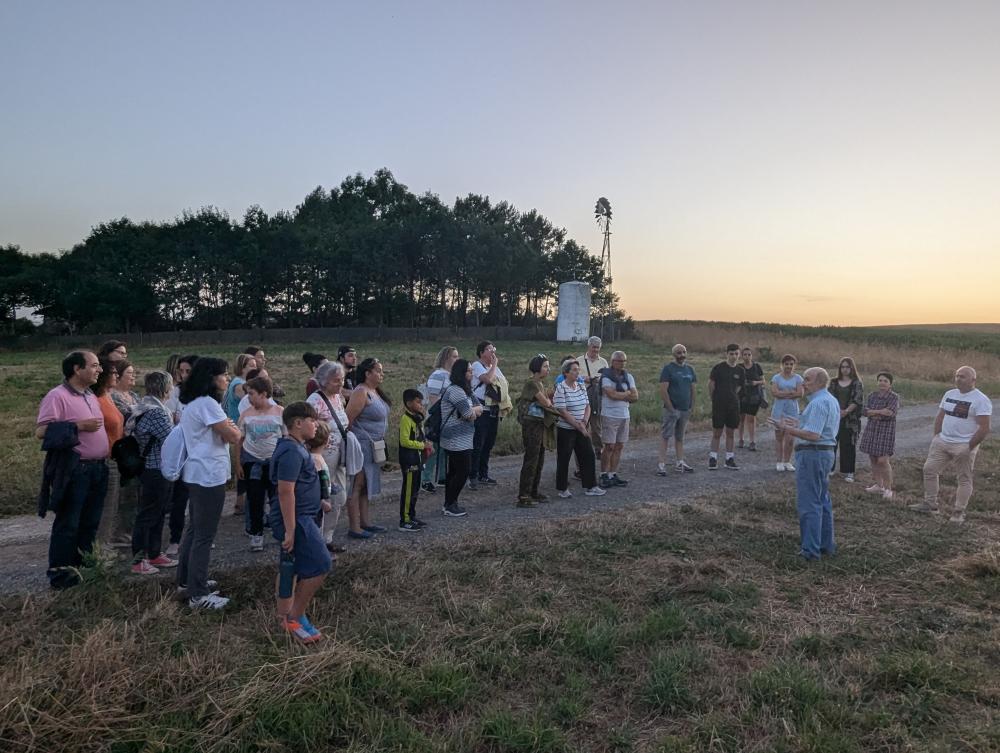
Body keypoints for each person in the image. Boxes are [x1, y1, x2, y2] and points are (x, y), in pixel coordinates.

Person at [36, 351, 109, 589]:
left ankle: (84, 569)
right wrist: (78, 426)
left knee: (90, 523)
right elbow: (42, 431)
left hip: (97, 469)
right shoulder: (56, 396)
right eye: (95, 365)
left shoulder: (89, 394)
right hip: (76, 470)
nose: (99, 370)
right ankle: (61, 576)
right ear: (77, 369)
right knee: (69, 524)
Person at [176, 357, 241, 610]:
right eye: (223, 375)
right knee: (204, 535)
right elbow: (233, 435)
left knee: (194, 531)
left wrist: (227, 428)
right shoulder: (208, 405)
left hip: (197, 473)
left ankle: (187, 581)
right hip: (208, 475)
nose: (226, 379)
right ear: (212, 378)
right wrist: (231, 428)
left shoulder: (196, 403)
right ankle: (198, 595)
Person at [270, 401, 331, 644]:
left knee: (290, 567)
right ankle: (295, 616)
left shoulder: (296, 447)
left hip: (303, 517)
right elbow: (286, 491)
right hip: (299, 519)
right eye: (312, 421)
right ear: (297, 423)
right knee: (321, 564)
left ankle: (284, 616)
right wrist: (291, 530)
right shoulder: (292, 452)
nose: (316, 425)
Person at [774, 367, 840, 561]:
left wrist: (787, 428)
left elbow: (813, 435)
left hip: (813, 454)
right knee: (822, 501)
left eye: (808, 379)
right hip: (824, 454)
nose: (803, 383)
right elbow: (815, 428)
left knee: (809, 503)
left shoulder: (819, 403)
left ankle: (810, 552)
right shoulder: (830, 400)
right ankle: (826, 546)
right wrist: (796, 424)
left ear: (820, 382)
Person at [914, 366, 992, 524]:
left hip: (963, 445)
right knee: (929, 470)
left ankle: (958, 512)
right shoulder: (949, 394)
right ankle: (930, 504)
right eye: (957, 376)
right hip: (942, 441)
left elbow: (984, 428)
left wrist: (969, 447)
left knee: (964, 479)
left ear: (973, 380)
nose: (958, 379)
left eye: (962, 376)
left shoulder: (981, 399)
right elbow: (940, 416)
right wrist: (936, 436)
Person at [126, 370, 176, 574]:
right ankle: (139, 559)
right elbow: (172, 439)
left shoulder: (144, 406)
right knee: (149, 513)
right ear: (165, 387)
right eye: (171, 385)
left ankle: (154, 554)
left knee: (157, 512)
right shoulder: (156, 411)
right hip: (155, 468)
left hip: (152, 466)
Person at [306, 361, 357, 551]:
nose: (341, 384)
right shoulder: (314, 400)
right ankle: (317, 539)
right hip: (323, 456)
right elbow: (308, 427)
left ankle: (327, 537)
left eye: (342, 380)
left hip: (339, 454)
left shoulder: (337, 398)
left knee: (339, 496)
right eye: (336, 381)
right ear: (324, 381)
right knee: (323, 496)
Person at [237, 375, 285, 551]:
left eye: (251, 394)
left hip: (274, 463)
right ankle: (256, 535)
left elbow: (286, 437)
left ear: (264, 394)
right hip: (253, 463)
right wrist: (238, 463)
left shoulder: (279, 412)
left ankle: (281, 532)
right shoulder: (246, 415)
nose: (248, 398)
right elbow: (239, 441)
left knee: (277, 499)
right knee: (255, 499)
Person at [345, 357, 390, 539]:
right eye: (378, 371)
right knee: (357, 484)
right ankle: (354, 527)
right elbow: (347, 421)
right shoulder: (361, 392)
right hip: (362, 445)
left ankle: (365, 522)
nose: (381, 374)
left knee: (365, 486)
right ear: (367, 373)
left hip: (373, 445)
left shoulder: (375, 391)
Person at [553, 358, 606, 499]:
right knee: (564, 458)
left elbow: (587, 406)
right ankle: (563, 488)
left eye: (578, 370)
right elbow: (562, 411)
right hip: (566, 429)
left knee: (588, 455)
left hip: (582, 426)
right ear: (566, 373)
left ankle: (591, 486)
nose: (577, 373)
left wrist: (583, 421)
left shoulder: (581, 386)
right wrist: (578, 425)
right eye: (574, 370)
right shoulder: (561, 388)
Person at [438, 359, 483, 516]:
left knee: (455, 471)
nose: (472, 373)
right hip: (455, 439)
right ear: (462, 373)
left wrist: (474, 410)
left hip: (463, 438)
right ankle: (450, 503)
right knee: (463, 471)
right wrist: (473, 411)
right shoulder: (456, 391)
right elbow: (469, 414)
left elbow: (480, 407)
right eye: (469, 371)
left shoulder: (466, 391)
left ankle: (450, 503)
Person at [164, 354, 197, 558]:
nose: (183, 375)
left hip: (200, 455)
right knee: (179, 499)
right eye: (181, 371)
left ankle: (199, 536)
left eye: (188, 371)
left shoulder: (207, 396)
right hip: (181, 455)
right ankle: (175, 539)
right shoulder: (175, 393)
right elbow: (171, 421)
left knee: (199, 499)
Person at [94, 358, 126, 546]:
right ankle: (99, 551)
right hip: (106, 458)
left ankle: (103, 547)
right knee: (105, 508)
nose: (116, 376)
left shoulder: (108, 395)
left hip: (116, 457)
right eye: (113, 373)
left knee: (112, 507)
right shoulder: (97, 399)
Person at [470, 341, 510, 489]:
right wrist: (494, 366)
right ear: (481, 352)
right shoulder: (476, 366)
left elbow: (503, 382)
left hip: (493, 409)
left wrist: (493, 368)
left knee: (488, 444)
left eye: (493, 348)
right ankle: (473, 476)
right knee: (478, 444)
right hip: (481, 410)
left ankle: (483, 474)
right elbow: (488, 379)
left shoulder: (493, 368)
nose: (492, 351)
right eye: (488, 349)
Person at [516, 354, 555, 506]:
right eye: (545, 366)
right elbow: (546, 403)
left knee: (539, 457)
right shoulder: (532, 383)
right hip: (532, 424)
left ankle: (533, 491)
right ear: (537, 367)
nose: (548, 369)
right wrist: (548, 400)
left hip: (539, 423)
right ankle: (524, 495)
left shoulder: (539, 384)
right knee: (532, 459)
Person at [421, 346, 459, 493]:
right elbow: (433, 398)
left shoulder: (451, 375)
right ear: (446, 358)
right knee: (433, 449)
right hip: (437, 418)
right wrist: (445, 412)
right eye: (454, 356)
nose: (457, 359)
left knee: (444, 448)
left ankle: (442, 476)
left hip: (448, 417)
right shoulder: (438, 375)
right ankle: (425, 479)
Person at [225, 353, 257, 518]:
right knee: (244, 467)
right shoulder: (239, 384)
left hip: (241, 428)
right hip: (240, 429)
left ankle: (240, 502)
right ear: (242, 367)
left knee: (244, 467)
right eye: (251, 365)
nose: (255, 367)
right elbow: (251, 401)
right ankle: (240, 503)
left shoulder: (239, 383)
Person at [599, 351, 638, 487]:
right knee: (609, 446)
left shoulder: (629, 377)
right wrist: (627, 393)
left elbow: (635, 397)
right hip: (610, 414)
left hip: (624, 415)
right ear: (612, 361)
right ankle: (603, 474)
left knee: (619, 446)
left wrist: (622, 394)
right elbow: (611, 395)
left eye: (624, 361)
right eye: (619, 361)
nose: (622, 364)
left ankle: (612, 474)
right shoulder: (606, 377)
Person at [858, 372, 899, 499]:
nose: (882, 383)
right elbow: (864, 411)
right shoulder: (872, 396)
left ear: (890, 384)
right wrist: (880, 412)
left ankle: (888, 489)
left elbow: (890, 413)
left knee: (883, 460)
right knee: (873, 458)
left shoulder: (894, 397)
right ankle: (878, 485)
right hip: (872, 429)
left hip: (886, 430)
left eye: (885, 381)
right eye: (880, 380)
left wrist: (873, 413)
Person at [657, 344, 696, 475]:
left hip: (685, 409)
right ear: (674, 354)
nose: (682, 355)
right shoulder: (668, 369)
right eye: (679, 353)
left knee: (680, 437)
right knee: (666, 436)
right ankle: (661, 464)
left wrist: (692, 406)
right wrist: (670, 408)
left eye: (684, 352)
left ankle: (680, 461)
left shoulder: (690, 369)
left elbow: (693, 389)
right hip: (672, 409)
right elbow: (663, 390)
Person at [398, 388, 432, 531]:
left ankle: (412, 515)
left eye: (421, 402)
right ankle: (405, 519)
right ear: (409, 403)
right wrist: (421, 445)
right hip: (409, 459)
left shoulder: (417, 418)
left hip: (417, 458)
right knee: (409, 489)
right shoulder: (406, 419)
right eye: (418, 402)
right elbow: (405, 441)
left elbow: (420, 435)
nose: (421, 405)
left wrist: (427, 445)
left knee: (415, 489)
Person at [708, 344, 745, 470]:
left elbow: (740, 386)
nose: (734, 356)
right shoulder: (719, 368)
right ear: (727, 354)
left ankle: (729, 459)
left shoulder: (740, 370)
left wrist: (733, 395)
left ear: (739, 355)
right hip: (719, 404)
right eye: (731, 354)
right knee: (717, 432)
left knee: (730, 432)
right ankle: (713, 458)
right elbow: (711, 384)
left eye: (736, 354)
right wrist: (714, 398)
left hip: (733, 405)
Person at [829, 357, 864, 483]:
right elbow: (829, 397)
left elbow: (857, 399)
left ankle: (849, 472)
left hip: (850, 419)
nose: (845, 369)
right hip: (834, 417)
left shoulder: (856, 383)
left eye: (847, 367)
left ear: (852, 368)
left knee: (848, 445)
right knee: (831, 443)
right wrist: (837, 411)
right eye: (842, 367)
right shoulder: (833, 382)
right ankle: (830, 468)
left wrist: (846, 411)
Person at [770, 354, 805, 472]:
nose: (789, 366)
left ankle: (787, 461)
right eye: (786, 364)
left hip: (792, 411)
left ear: (794, 365)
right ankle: (779, 461)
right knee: (779, 436)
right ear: (782, 365)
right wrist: (790, 393)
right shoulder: (776, 378)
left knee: (790, 438)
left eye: (791, 364)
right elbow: (774, 393)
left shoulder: (798, 378)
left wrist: (783, 393)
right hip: (779, 410)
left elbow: (800, 393)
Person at [578, 336, 609, 460]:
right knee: (583, 425)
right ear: (588, 346)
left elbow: (607, 378)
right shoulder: (579, 360)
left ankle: (598, 449)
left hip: (597, 397)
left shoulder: (603, 362)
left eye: (598, 348)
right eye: (594, 347)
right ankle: (584, 450)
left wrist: (600, 380)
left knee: (596, 426)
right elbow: (573, 376)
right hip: (581, 397)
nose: (596, 350)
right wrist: (587, 379)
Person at [737, 346, 765, 451]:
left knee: (751, 419)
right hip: (741, 396)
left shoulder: (757, 367)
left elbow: (763, 381)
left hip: (754, 396)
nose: (747, 356)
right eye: (745, 354)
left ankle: (752, 441)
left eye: (749, 354)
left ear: (751, 356)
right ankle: (741, 439)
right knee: (740, 419)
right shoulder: (739, 367)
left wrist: (755, 382)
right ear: (742, 356)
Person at [223, 353, 257, 423]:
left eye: (255, 366)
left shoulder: (240, 381)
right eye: (252, 366)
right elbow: (254, 404)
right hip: (238, 423)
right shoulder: (240, 385)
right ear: (242, 368)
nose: (255, 369)